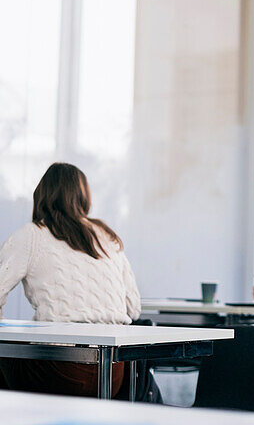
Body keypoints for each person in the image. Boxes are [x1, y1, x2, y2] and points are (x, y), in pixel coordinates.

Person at [0, 163, 158, 401]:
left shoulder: (32, 234)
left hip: (59, 371)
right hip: (113, 374)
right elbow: (133, 307)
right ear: (84, 198)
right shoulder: (107, 236)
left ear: (41, 195)